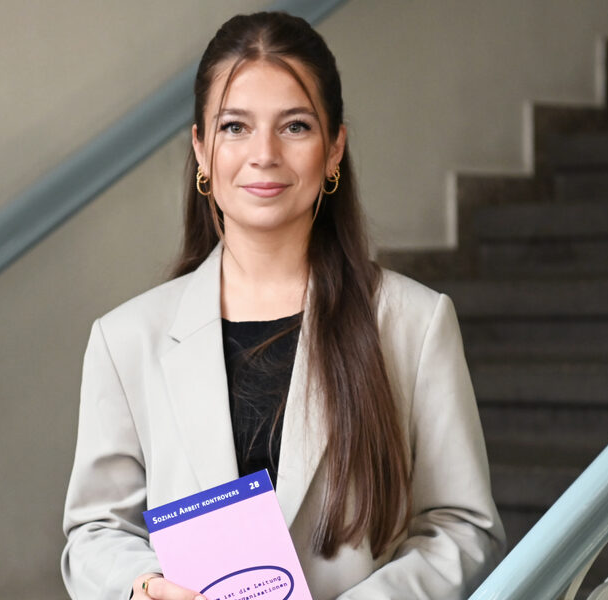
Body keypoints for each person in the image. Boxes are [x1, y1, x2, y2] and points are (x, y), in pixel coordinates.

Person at [61, 11, 504, 600]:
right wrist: (142, 588)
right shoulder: (126, 341)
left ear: (334, 148)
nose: (263, 153)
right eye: (235, 127)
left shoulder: (414, 323)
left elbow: (463, 528)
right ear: (200, 149)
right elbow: (94, 531)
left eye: (294, 126)